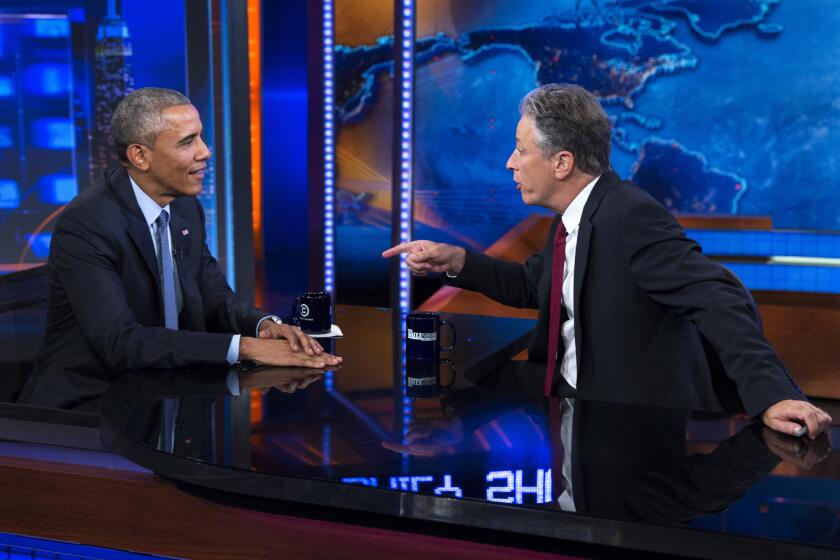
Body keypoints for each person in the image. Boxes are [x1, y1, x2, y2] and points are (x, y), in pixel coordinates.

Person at [383, 83, 831, 438]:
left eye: (521, 150)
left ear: (561, 163)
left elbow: (719, 299)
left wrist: (773, 396)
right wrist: (457, 259)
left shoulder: (630, 216)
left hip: (619, 418)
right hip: (560, 394)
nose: (509, 163)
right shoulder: (573, 216)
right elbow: (533, 284)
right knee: (451, 394)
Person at [19, 87, 340, 409]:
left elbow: (215, 299)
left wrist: (266, 326)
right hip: (88, 409)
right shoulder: (88, 223)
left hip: (163, 391)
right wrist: (246, 347)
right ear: (140, 156)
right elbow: (120, 342)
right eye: (188, 142)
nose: (205, 152)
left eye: (201, 137)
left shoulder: (185, 209)